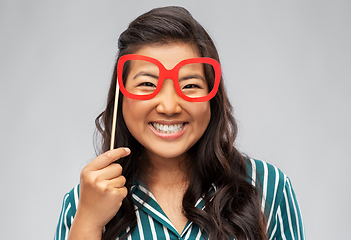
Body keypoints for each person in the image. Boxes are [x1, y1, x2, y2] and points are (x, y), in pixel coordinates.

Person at [55, 6, 305, 240]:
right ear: (121, 97)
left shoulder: (267, 187)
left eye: (190, 86)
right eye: (147, 84)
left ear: (213, 98)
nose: (169, 107)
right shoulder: (83, 202)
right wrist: (88, 222)